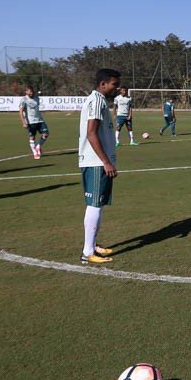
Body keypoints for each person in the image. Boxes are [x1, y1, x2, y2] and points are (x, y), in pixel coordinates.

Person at [79, 68, 122, 264]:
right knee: (94, 205)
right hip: (96, 162)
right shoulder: (96, 100)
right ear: (103, 84)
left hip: (98, 161)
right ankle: (88, 252)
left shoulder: (99, 100)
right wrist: (105, 161)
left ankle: (93, 244)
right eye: (114, 84)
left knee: (97, 205)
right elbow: (91, 133)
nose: (117, 88)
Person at [19, 86, 48, 159]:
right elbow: (20, 112)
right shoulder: (24, 100)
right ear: (26, 92)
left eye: (32, 91)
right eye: (29, 91)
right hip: (31, 122)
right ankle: (35, 153)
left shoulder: (36, 98)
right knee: (32, 137)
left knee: (46, 134)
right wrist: (24, 122)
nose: (31, 93)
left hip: (40, 120)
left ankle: (38, 147)